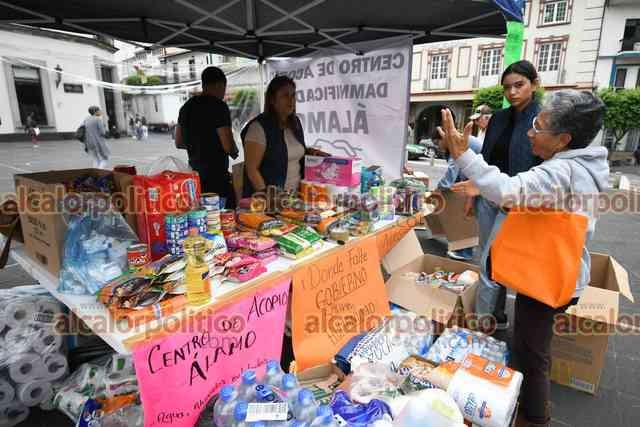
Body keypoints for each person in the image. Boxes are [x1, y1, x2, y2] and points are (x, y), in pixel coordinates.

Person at [439, 89, 608, 427]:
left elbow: (509, 190)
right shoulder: (585, 165)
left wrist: (463, 155)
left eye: (539, 127)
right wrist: (484, 188)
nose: (530, 132)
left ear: (563, 139)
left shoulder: (562, 172)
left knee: (532, 354)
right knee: (533, 344)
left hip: (546, 279)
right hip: (563, 272)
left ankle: (535, 416)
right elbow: (524, 197)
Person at [453, 60, 543, 330]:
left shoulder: (543, 120)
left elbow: (543, 165)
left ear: (534, 84)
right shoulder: (499, 118)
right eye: (507, 87)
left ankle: (481, 326)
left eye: (519, 85)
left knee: (490, 263)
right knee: (488, 257)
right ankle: (497, 315)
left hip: (517, 201)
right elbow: (485, 158)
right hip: (488, 197)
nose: (512, 92)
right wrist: (473, 194)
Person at [242, 75, 327, 197]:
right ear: (272, 100)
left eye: (293, 95)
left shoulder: (295, 123)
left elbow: (289, 152)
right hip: (270, 200)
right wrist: (269, 197)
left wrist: (311, 152)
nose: (291, 100)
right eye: (285, 96)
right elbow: (251, 170)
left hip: (296, 196)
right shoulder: (258, 127)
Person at [175, 66, 239, 208]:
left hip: (194, 178)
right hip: (217, 180)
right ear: (220, 85)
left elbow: (178, 142)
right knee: (224, 216)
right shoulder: (219, 106)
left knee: (201, 216)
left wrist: (197, 144)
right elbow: (228, 146)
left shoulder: (187, 107)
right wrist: (234, 151)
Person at [433, 108, 482, 261]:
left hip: (481, 179)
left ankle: (465, 252)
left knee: (466, 213)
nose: (438, 146)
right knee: (464, 209)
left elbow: (451, 173)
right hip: (475, 177)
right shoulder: (455, 141)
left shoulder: (455, 142)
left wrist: (437, 191)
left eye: (437, 142)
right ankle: (462, 248)